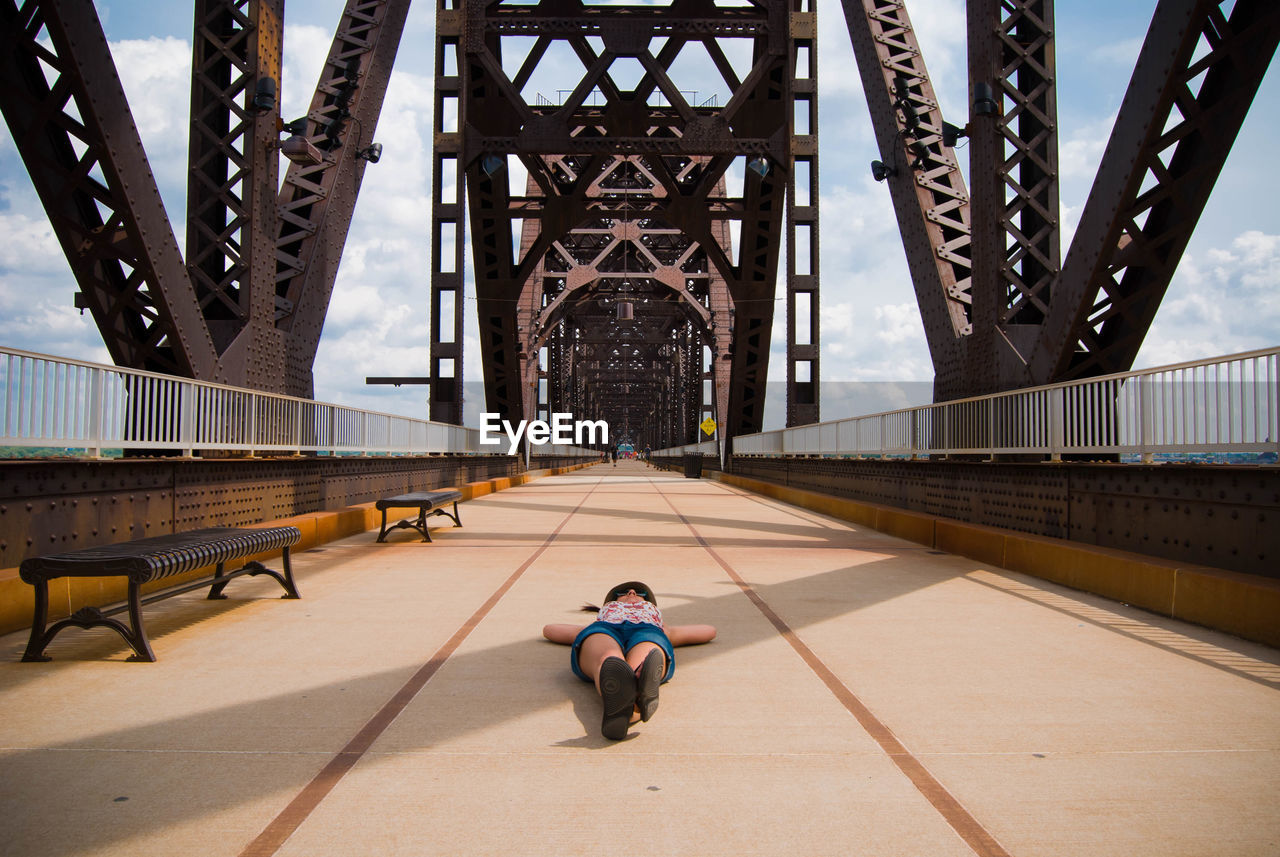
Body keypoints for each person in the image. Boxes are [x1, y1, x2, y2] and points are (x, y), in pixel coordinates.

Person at [542, 581, 716, 740]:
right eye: (622, 593)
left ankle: (634, 690)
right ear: (608, 604)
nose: (632, 592)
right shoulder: (600, 621)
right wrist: (585, 629)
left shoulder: (660, 625)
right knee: (608, 658)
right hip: (605, 629)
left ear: (651, 606)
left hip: (648, 629)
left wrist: (666, 630)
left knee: (648, 652)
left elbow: (709, 631)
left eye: (641, 593)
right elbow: (549, 629)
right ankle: (635, 697)